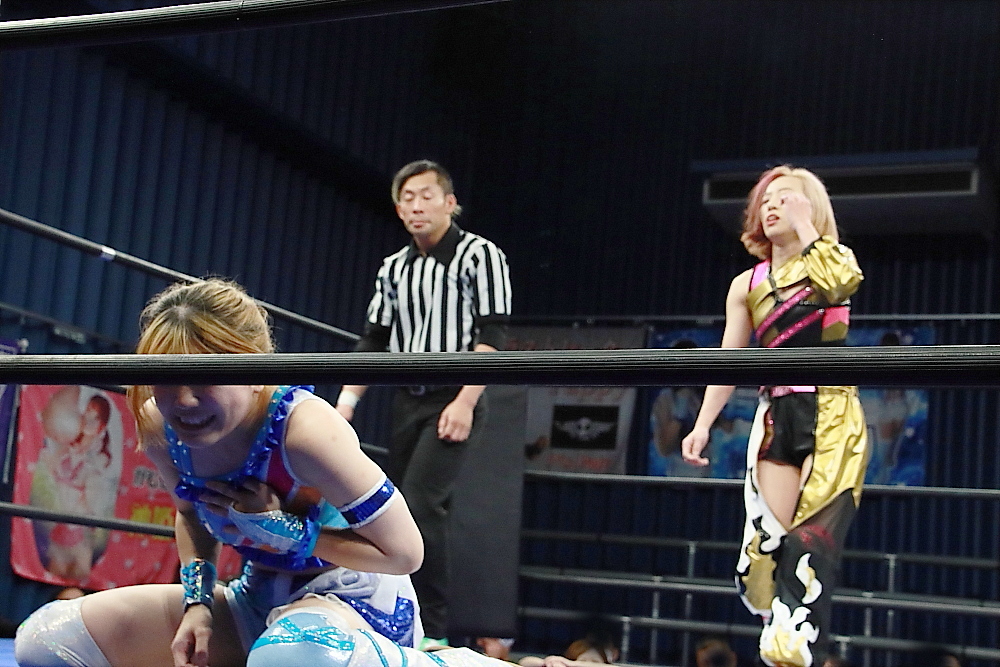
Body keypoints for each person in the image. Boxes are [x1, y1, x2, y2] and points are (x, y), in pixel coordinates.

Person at [15, 279, 508, 667]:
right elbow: (190, 514)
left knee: (288, 658)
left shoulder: (306, 431)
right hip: (257, 600)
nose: (183, 401)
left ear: (254, 371)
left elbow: (405, 553)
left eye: (205, 377)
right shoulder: (160, 423)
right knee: (47, 640)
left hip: (354, 603)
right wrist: (197, 604)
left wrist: (288, 531)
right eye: (165, 378)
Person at [681, 166, 868, 667]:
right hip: (776, 413)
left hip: (831, 411)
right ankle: (776, 641)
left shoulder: (831, 262)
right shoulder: (747, 284)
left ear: (808, 206)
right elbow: (729, 358)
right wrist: (703, 424)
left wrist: (808, 227)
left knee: (811, 547)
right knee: (766, 551)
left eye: (785, 198)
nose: (771, 206)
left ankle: (794, 656)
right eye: (765, 199)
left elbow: (842, 283)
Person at [336, 159, 512, 648]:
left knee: (420, 504)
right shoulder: (394, 268)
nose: (417, 206)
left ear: (450, 203)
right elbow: (374, 338)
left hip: (454, 393)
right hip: (406, 398)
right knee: (395, 505)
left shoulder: (480, 255)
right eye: (407, 198)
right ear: (398, 209)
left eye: (426, 196)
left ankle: (430, 628)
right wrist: (346, 402)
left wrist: (465, 402)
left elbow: (493, 335)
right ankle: (397, 615)